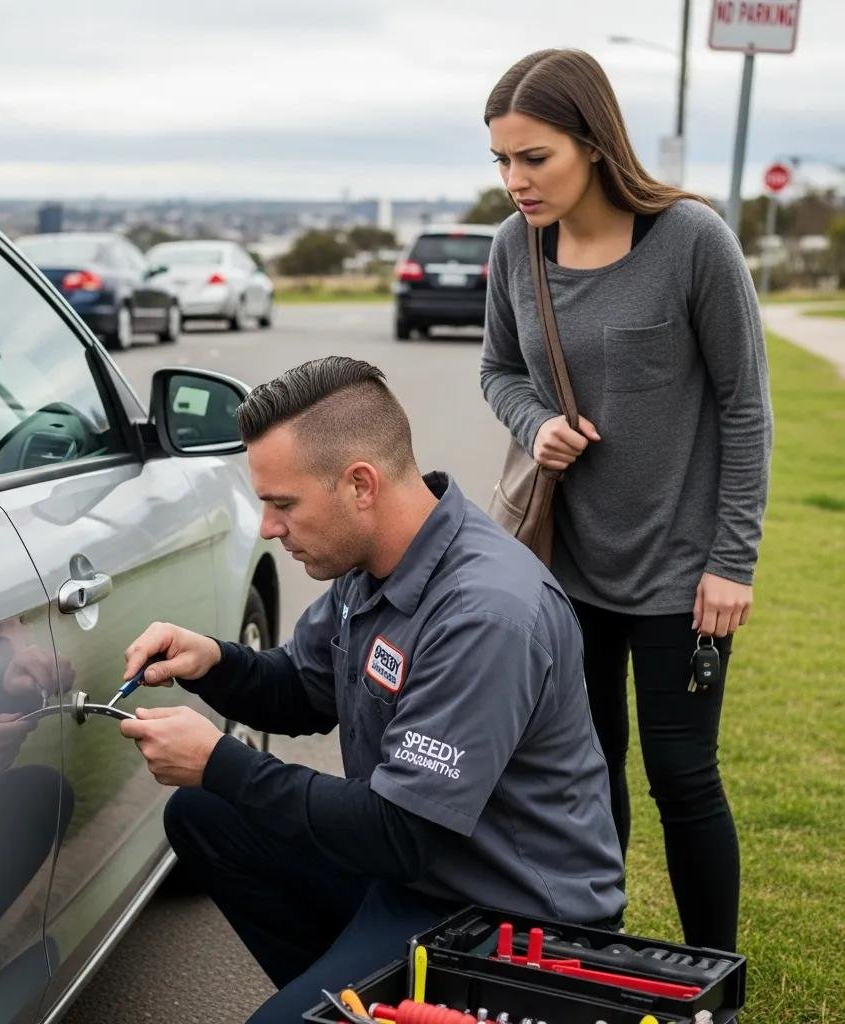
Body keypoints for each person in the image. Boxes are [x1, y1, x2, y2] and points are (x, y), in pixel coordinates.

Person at [119, 356, 624, 1023]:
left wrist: (220, 760)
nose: (269, 528)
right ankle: (349, 997)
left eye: (283, 504)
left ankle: (352, 1000)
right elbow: (301, 689)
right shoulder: (374, 565)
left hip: (508, 921)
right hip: (418, 879)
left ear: (360, 485)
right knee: (204, 815)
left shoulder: (486, 612)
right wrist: (211, 662)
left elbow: (398, 833)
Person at [478, 49, 772, 954]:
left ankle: (711, 983)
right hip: (564, 570)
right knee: (585, 778)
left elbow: (745, 407)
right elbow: (498, 372)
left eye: (536, 158)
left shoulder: (692, 241)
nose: (515, 180)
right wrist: (537, 426)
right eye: (501, 160)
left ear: (595, 144)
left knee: (683, 780)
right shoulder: (511, 248)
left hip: (682, 577)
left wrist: (732, 561)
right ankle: (598, 962)